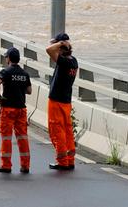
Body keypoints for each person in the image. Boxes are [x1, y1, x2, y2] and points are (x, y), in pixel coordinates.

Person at [0, 47, 32, 174]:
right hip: (21, 109)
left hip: (8, 109)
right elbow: (29, 91)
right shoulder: (24, 73)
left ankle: (6, 165)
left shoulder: (5, 72)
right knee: (22, 138)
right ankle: (25, 166)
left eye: (6, 57)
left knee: (6, 138)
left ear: (9, 58)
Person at [46, 33, 78, 171]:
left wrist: (61, 44)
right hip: (66, 101)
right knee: (67, 130)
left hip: (57, 101)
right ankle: (70, 160)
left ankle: (62, 161)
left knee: (57, 130)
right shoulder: (74, 61)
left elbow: (48, 50)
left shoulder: (64, 62)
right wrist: (63, 44)